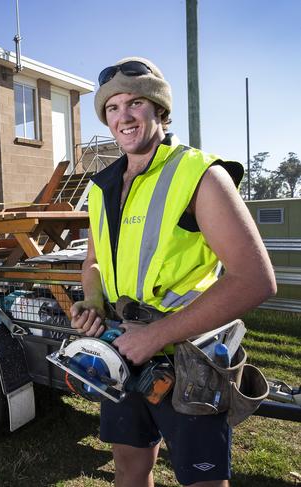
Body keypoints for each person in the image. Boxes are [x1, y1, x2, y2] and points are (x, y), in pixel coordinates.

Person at [70, 57, 276, 487]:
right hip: (125, 350)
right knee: (129, 466)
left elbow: (255, 279)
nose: (123, 116)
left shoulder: (199, 174)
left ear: (160, 110)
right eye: (111, 108)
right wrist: (91, 301)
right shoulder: (102, 186)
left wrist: (156, 336)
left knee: (201, 481)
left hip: (189, 359)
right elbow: (92, 262)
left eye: (135, 103)